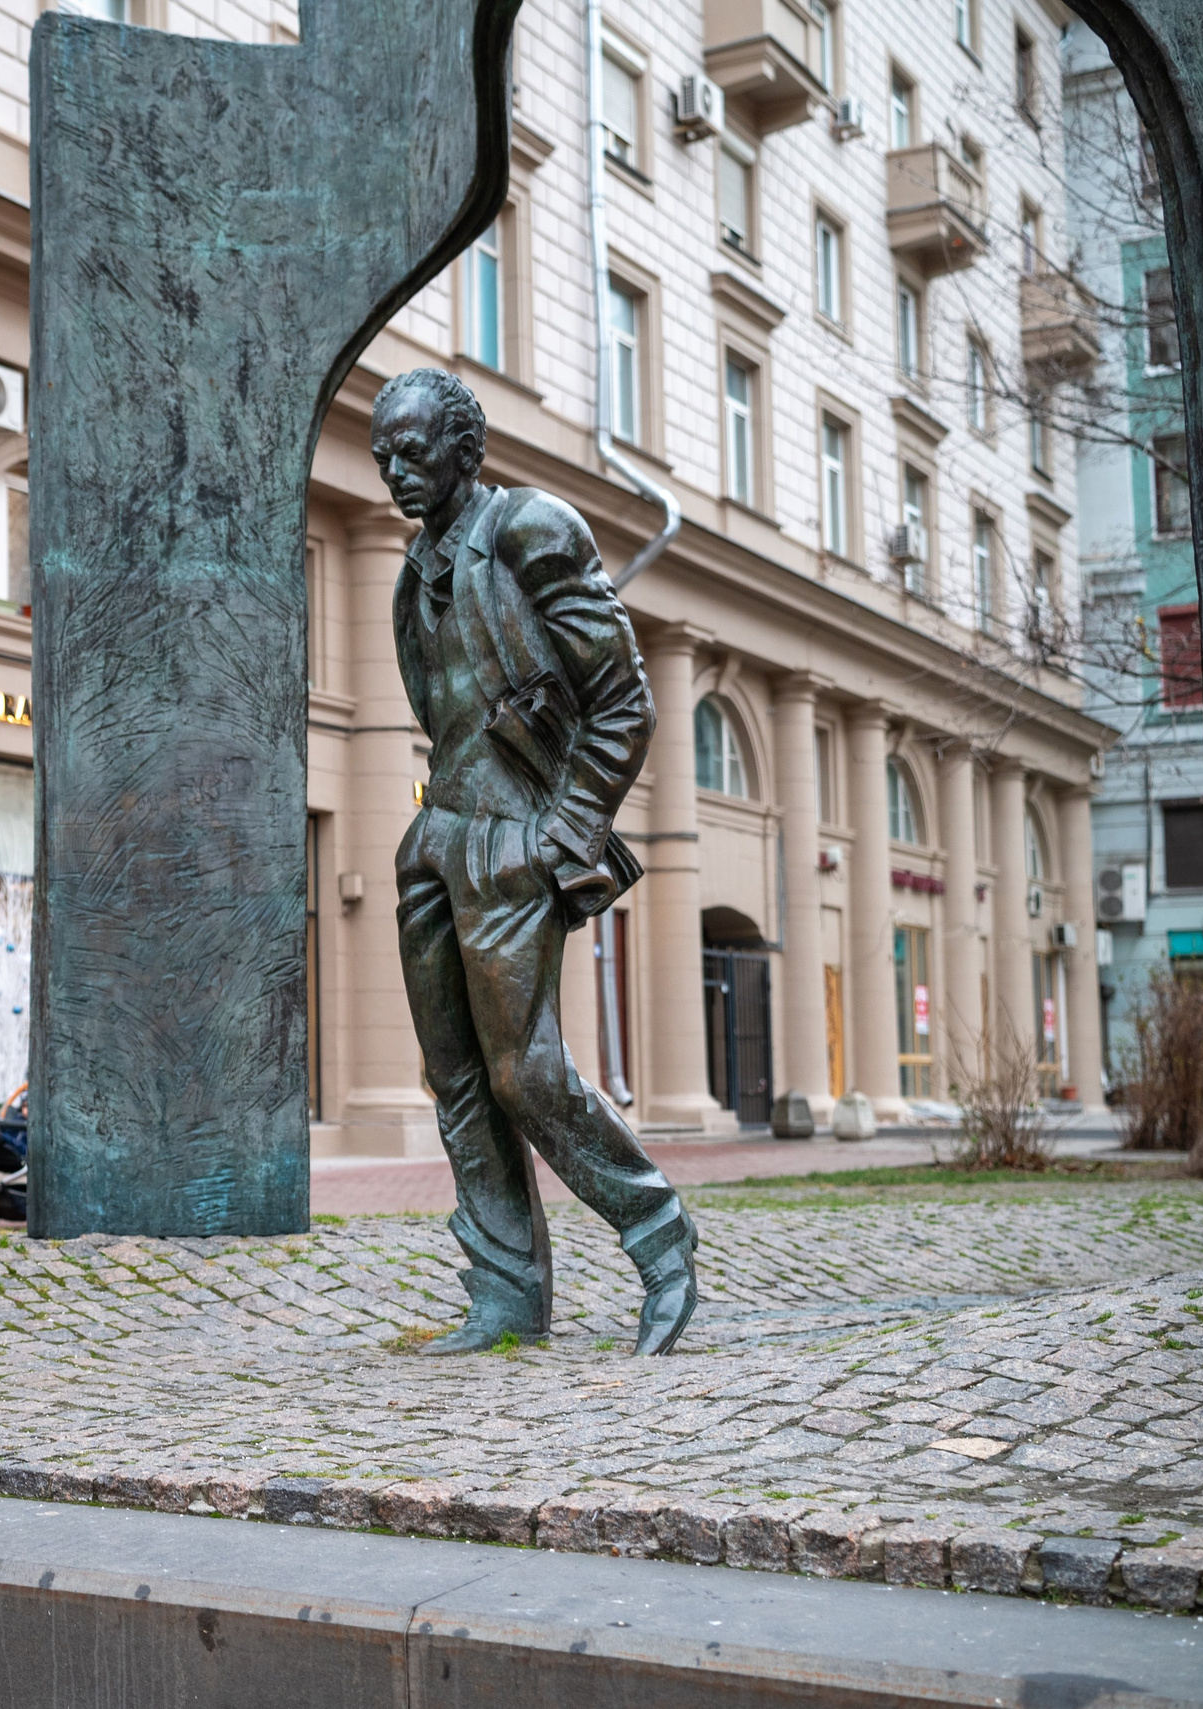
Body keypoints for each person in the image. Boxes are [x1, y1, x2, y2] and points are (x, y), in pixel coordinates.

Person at [373, 367, 701, 1357]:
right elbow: (446, 719)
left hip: (514, 841)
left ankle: (658, 1235)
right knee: (457, 1077)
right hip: (436, 839)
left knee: (523, 1070)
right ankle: (506, 1291)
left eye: (413, 448)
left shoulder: (529, 529)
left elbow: (622, 701)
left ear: (463, 447)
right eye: (382, 451)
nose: (395, 468)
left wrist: (561, 834)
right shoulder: (408, 577)